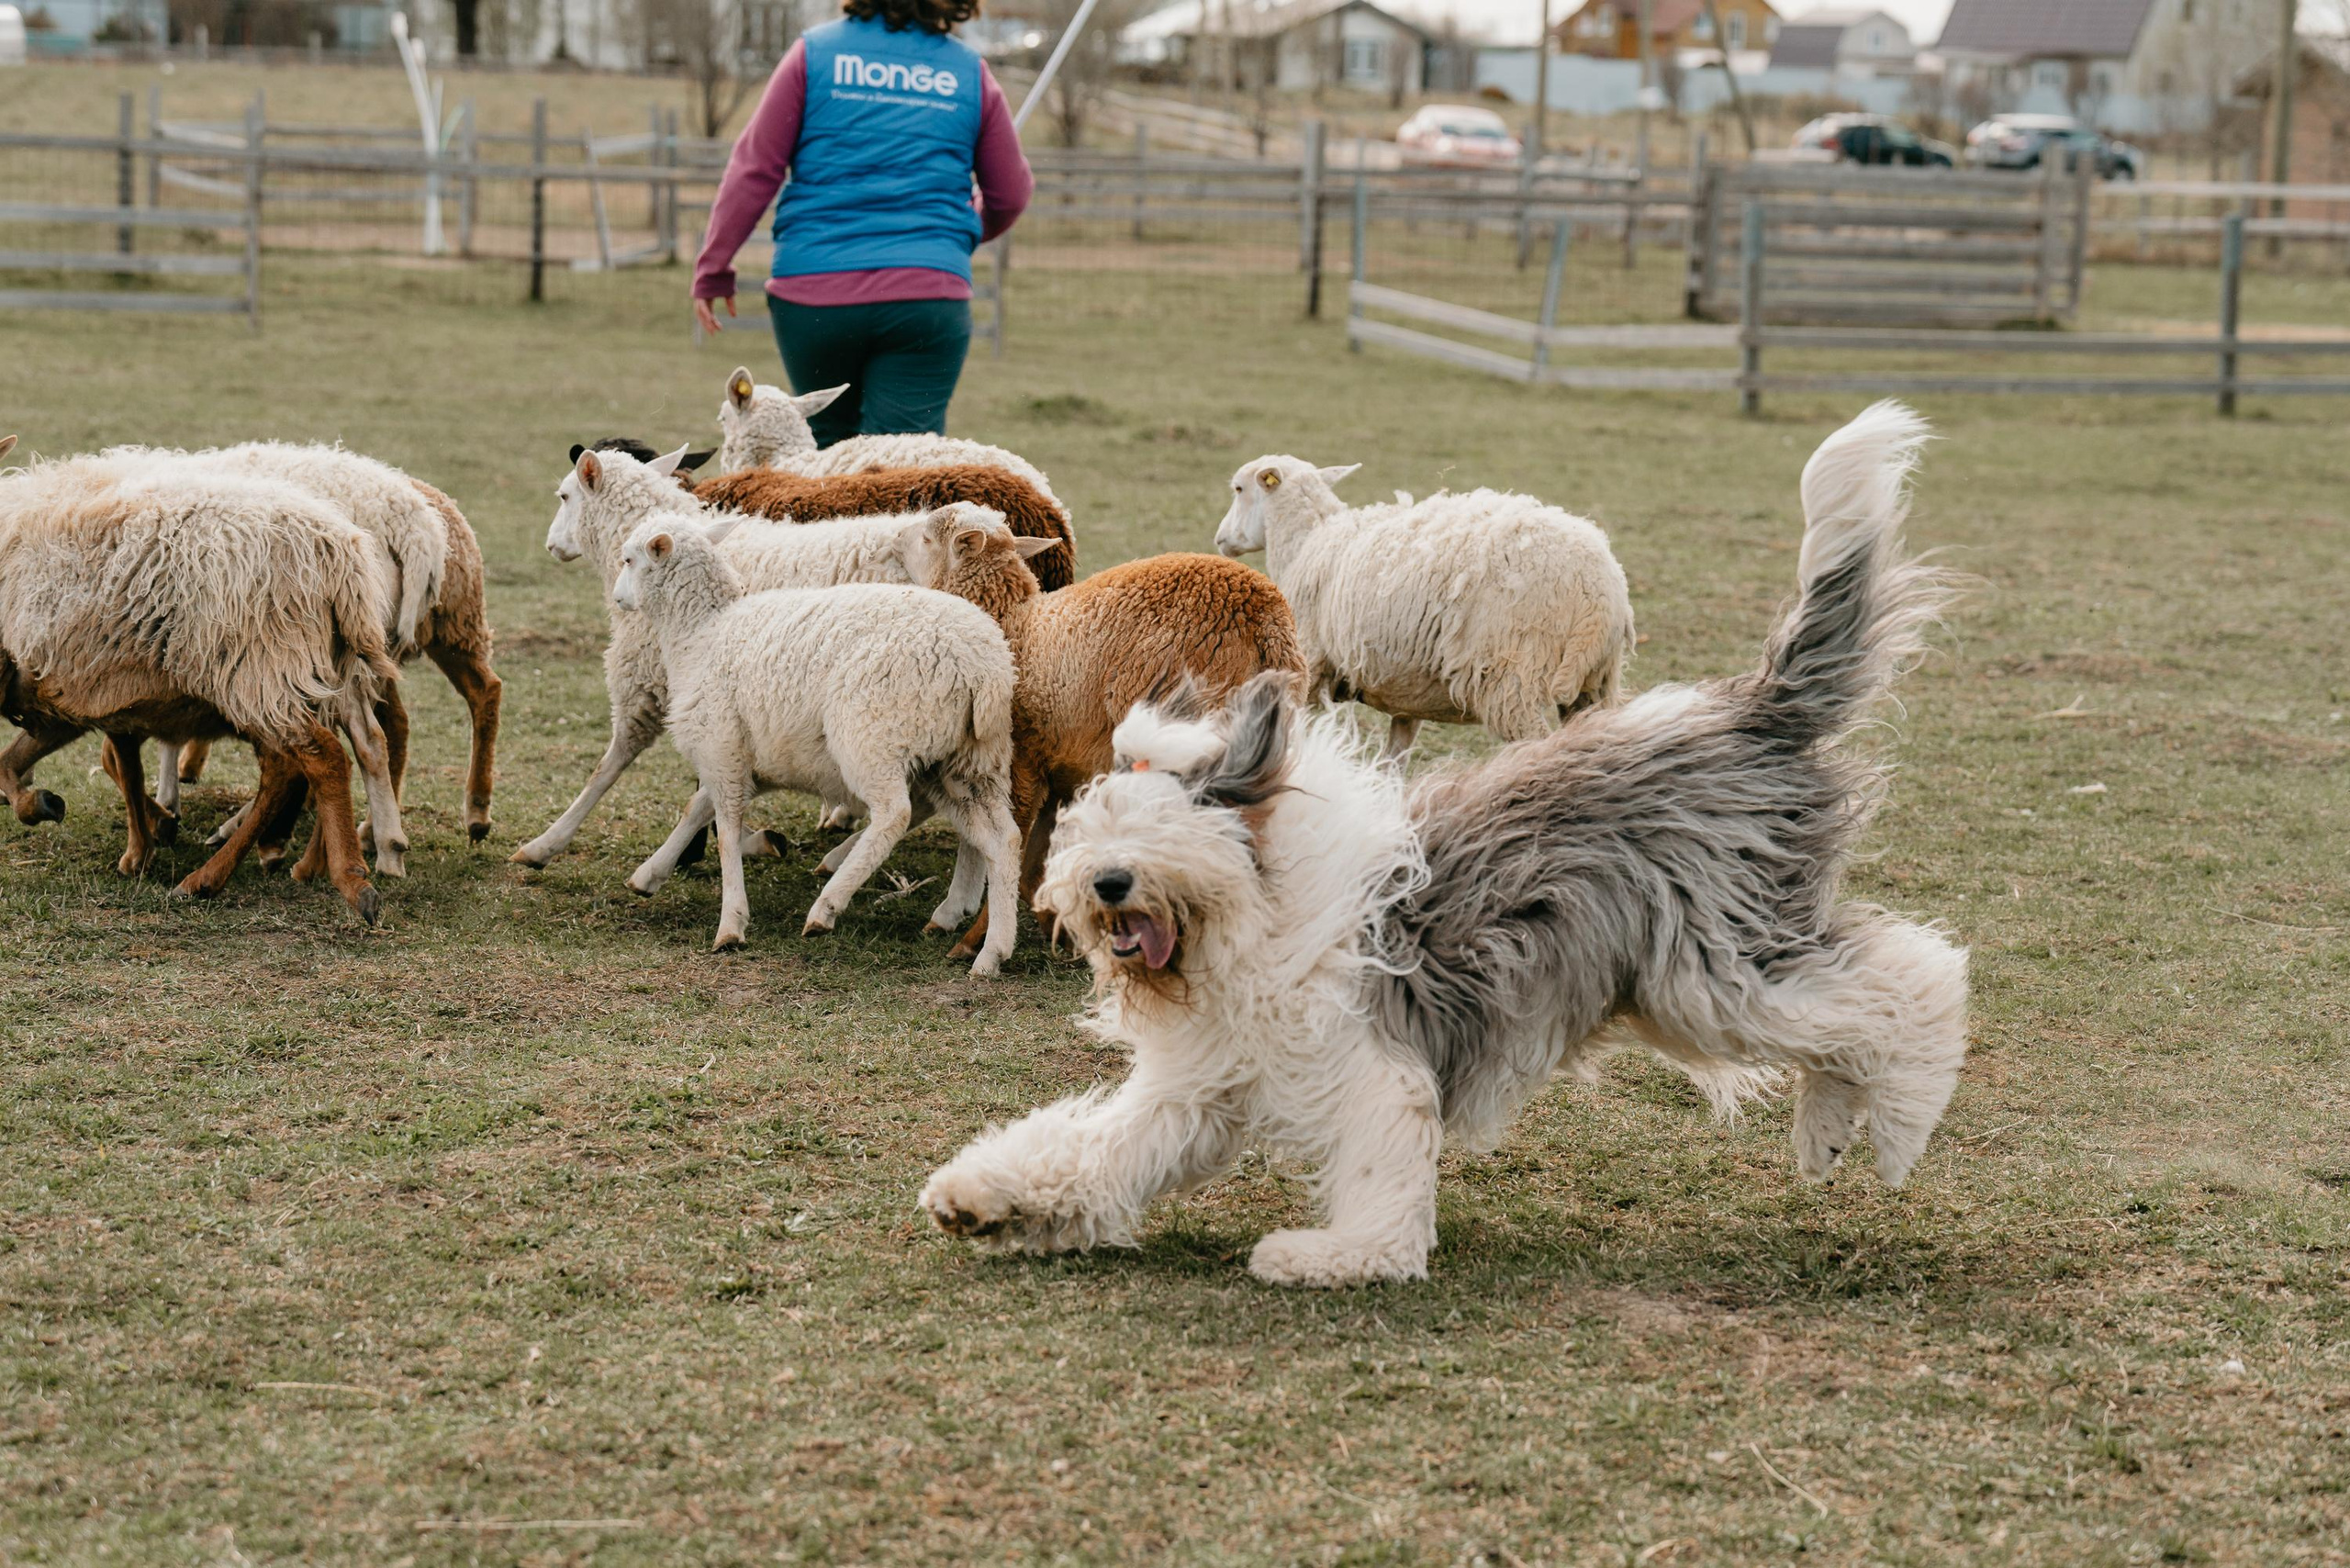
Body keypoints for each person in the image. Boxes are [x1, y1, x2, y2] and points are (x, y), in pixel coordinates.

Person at [691, 0, 1033, 448]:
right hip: (926, 298)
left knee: (827, 452)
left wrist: (715, 265)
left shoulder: (813, 55)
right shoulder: (968, 72)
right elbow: (1011, 193)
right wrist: (958, 236)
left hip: (815, 298)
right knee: (901, 466)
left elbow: (754, 169)